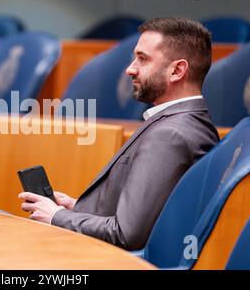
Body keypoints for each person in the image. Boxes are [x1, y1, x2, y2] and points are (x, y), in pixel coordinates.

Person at [18, 17, 219, 250]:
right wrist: (74, 207)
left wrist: (56, 216)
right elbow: (145, 213)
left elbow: (126, 235)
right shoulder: (182, 121)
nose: (130, 68)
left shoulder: (171, 134)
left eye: (142, 59)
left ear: (177, 70)